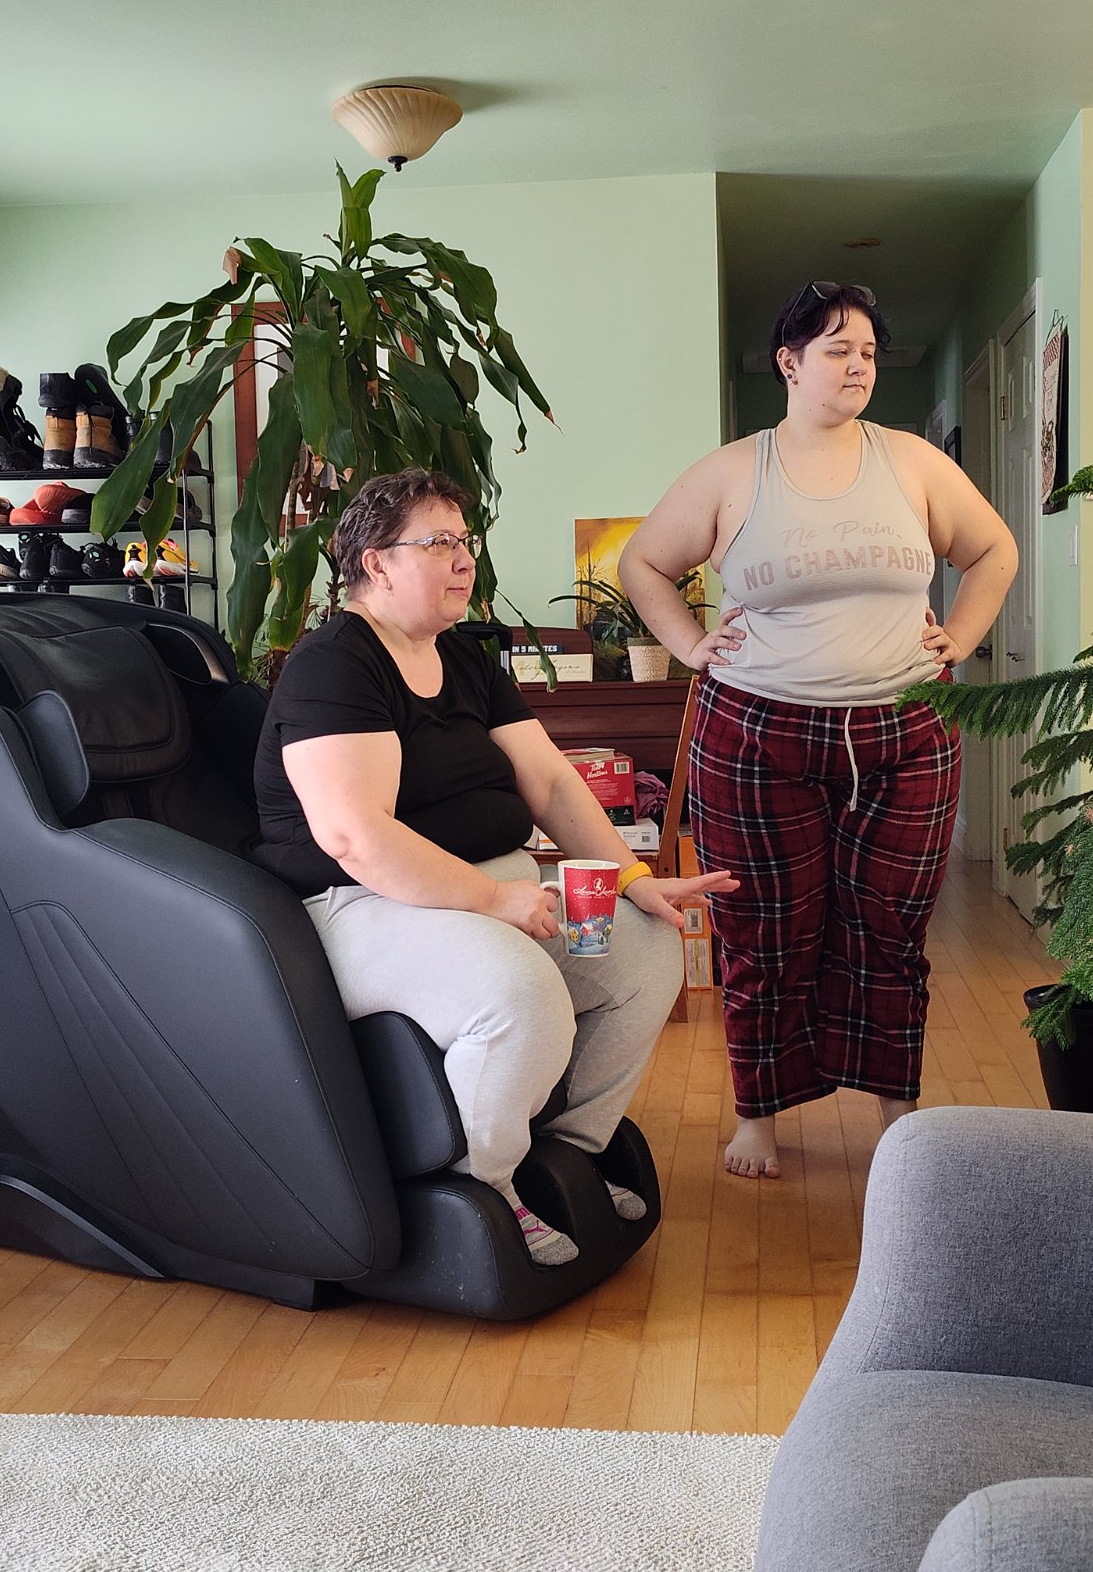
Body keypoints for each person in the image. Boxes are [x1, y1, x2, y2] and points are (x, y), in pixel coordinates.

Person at [252, 468, 739, 1264]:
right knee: (521, 993)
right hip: (363, 906)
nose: (463, 558)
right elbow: (354, 837)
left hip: (494, 887)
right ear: (376, 563)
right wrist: (491, 900)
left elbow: (551, 783)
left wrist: (633, 879)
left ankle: (570, 1154)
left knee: (647, 951)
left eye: (466, 540)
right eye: (438, 542)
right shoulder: (335, 664)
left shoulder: (466, 658)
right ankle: (488, 1190)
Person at [618, 281, 1018, 1180]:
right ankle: (758, 1117)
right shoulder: (733, 471)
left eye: (868, 352)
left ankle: (897, 1115)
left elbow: (995, 550)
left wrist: (961, 637)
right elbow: (643, 562)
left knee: (891, 928)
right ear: (789, 363)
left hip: (907, 731)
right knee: (765, 930)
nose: (858, 366)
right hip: (756, 735)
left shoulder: (912, 461)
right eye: (838, 349)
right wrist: (689, 645)